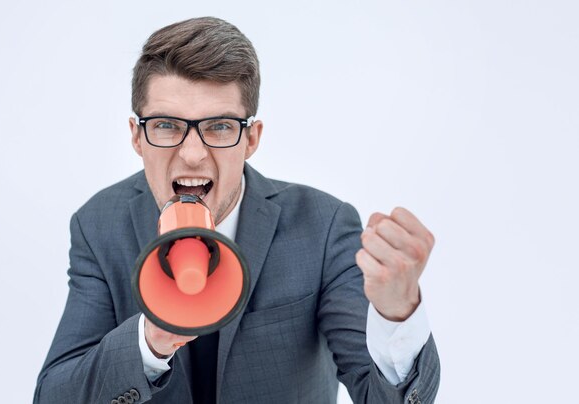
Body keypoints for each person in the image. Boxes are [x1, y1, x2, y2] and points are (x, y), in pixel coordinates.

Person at [34, 16, 440, 404]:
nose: (192, 155)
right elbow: (54, 396)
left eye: (220, 126)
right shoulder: (99, 226)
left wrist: (396, 313)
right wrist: (149, 340)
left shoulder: (323, 228)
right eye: (165, 125)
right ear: (137, 137)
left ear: (251, 139)